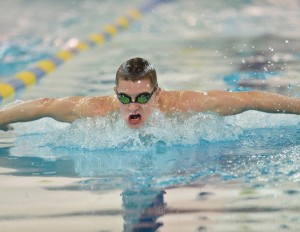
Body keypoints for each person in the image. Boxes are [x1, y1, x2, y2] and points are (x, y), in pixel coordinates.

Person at [0, 57, 300, 131]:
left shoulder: (184, 105)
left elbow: (248, 99)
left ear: (157, 94)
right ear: (115, 93)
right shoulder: (95, 109)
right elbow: (45, 105)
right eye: (125, 97)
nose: (134, 106)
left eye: (143, 97)